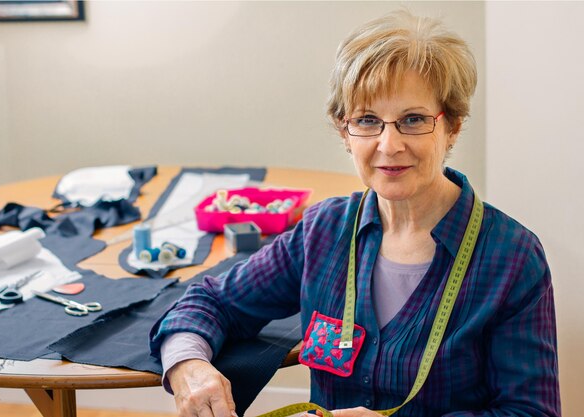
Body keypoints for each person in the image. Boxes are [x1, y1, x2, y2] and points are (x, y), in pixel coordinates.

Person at [150, 9, 560, 417]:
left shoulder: (512, 258)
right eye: (366, 120)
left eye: (413, 120)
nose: (389, 144)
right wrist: (189, 365)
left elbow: (531, 411)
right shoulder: (323, 232)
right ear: (344, 132)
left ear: (451, 125)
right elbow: (211, 302)